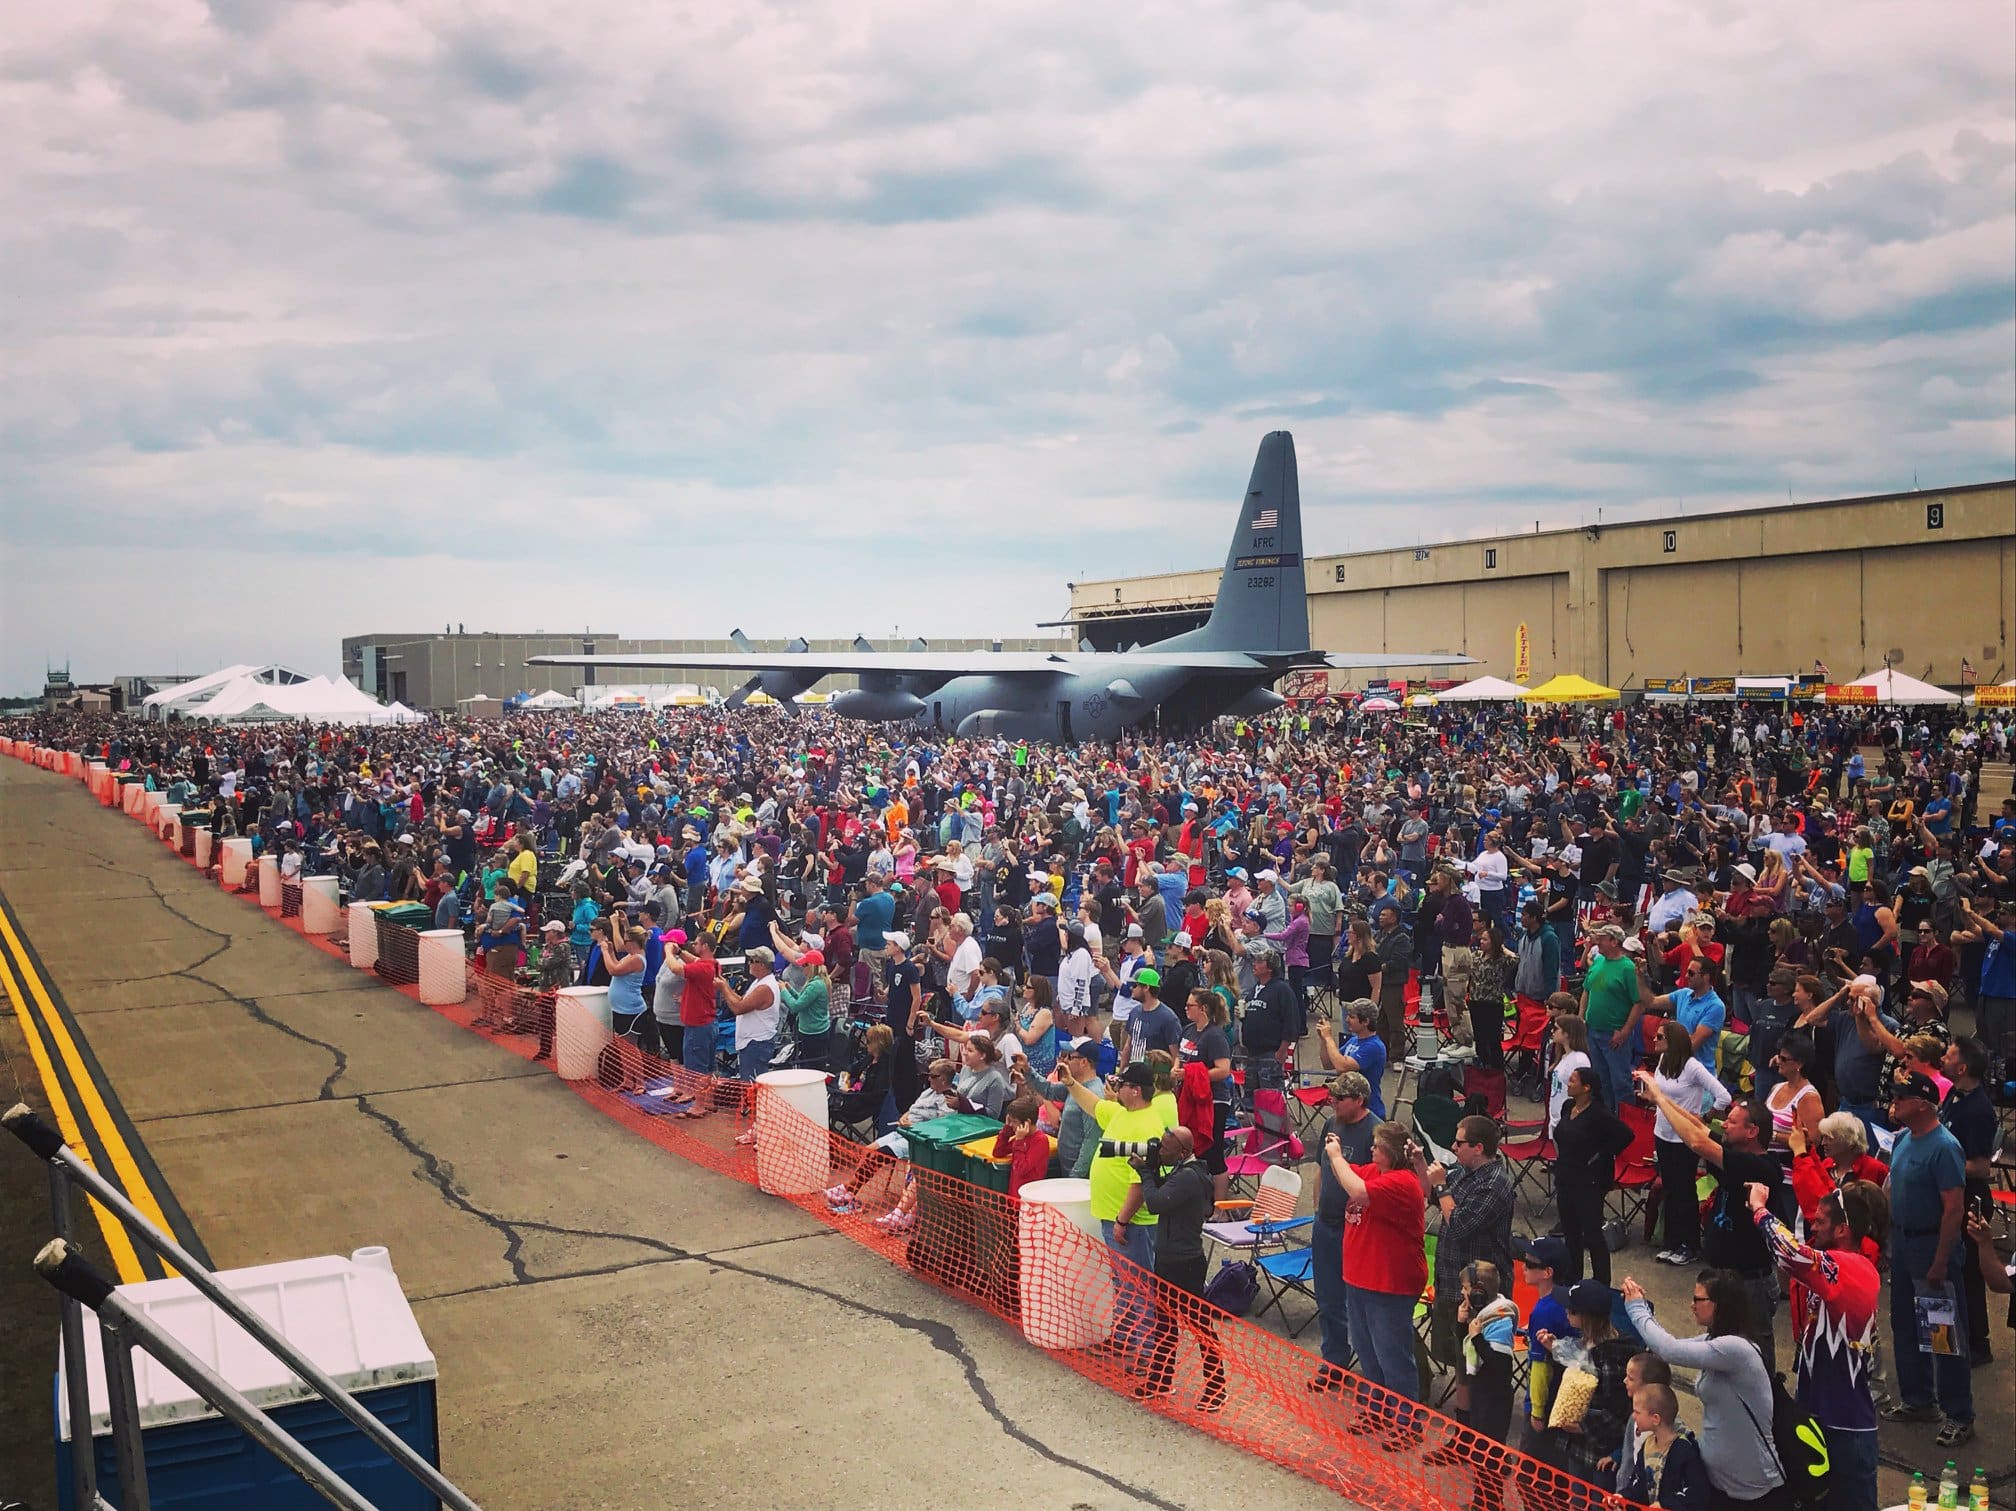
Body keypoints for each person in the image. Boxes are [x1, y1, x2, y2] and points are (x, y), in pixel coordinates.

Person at [1747, 1179, 1884, 1511]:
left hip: (1846, 1428)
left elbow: (1789, 1252)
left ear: (1842, 1229)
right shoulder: (1838, 1266)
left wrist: (1759, 1209)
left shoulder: (1850, 1267)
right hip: (1821, 1419)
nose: (1813, 1224)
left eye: (1821, 1220)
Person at [1636, 1073, 1785, 1368]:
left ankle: (1767, 1409)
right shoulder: (1736, 1153)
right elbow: (1699, 1127)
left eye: (1732, 1121)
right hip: (1728, 1278)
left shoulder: (1760, 1167)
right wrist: (1659, 1101)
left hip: (1750, 1283)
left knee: (1756, 1355)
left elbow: (1696, 1141)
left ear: (1752, 1131)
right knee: (1723, 1347)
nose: (1724, 1124)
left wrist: (1660, 1094)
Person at [1620, 1271, 1788, 1508]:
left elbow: (1669, 1350)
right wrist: (1643, 1311)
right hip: (1718, 1482)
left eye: (1698, 1299)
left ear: (1721, 1305)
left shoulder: (1736, 1349)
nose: (1691, 1305)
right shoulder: (1716, 1340)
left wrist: (1636, 1308)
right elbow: (1670, 1348)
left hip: (1750, 1488)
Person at [1881, 1069, 1973, 1449]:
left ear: (1922, 1103)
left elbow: (1953, 1209)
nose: (1895, 1103)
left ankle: (1958, 1414)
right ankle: (1918, 1399)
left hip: (1931, 1247)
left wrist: (1940, 1261)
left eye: (1901, 1098)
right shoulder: (1905, 1139)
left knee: (1942, 1336)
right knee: (1903, 1322)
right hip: (1902, 1245)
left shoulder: (1944, 1147)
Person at [1323, 1119, 1429, 1443]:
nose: (1372, 1149)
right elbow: (1353, 1176)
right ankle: (1378, 1409)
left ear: (1391, 1152)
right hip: (1360, 1277)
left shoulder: (1400, 1182)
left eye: (1377, 1145)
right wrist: (1338, 1160)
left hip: (1389, 1283)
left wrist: (1335, 1156)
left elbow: (1356, 1189)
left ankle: (1408, 1423)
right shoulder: (1376, 1172)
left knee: (1393, 1356)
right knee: (1368, 1352)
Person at [1060, 1062, 1169, 1360]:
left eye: (1121, 1085)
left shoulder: (1148, 1126)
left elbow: (1139, 1183)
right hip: (1115, 1218)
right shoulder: (1121, 1113)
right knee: (1121, 1282)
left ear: (1135, 1090)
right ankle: (1122, 1338)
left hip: (1131, 1222)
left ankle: (1146, 1352)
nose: (1115, 1089)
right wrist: (1071, 1083)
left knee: (1138, 1286)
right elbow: (1093, 1105)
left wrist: (1122, 1219)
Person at [1418, 1116, 1515, 1411]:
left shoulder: (1495, 1184)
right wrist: (1420, 1163)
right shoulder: (1464, 1171)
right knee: (1458, 1355)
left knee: (1471, 1362)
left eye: (1459, 1143)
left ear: (1478, 1148)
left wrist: (1443, 1187)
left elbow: (1459, 1224)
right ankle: (1466, 1421)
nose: (1453, 1147)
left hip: (1480, 1289)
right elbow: (1433, 1197)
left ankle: (1467, 1430)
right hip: (1452, 1281)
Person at [1133, 1125, 1228, 1411]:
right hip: (1168, 1259)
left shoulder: (1190, 1177)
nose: (1159, 1152)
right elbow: (1165, 1192)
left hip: (1185, 1263)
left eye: (1164, 1149)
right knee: (1164, 1325)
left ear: (1183, 1152)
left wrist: (1146, 1173)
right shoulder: (1183, 1170)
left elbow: (1155, 1203)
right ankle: (1160, 1380)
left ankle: (1216, 1389)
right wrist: (1154, 1168)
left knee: (1200, 1328)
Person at [1307, 1071, 1378, 1394]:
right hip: (1326, 1224)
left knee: (1359, 1302)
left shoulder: (1374, 1132)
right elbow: (1322, 1168)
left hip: (1356, 1231)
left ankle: (1371, 1370)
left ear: (1359, 1100)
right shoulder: (1330, 1124)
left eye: (1340, 1097)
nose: (1332, 1101)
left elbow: (1374, 1188)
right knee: (1328, 1297)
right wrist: (1318, 1206)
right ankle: (1334, 1361)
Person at [1531, 1280, 1638, 1493]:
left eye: (1570, 1309)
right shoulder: (1585, 1342)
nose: (1565, 1312)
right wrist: (1555, 1349)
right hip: (1577, 1447)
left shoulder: (1613, 1359)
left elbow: (1620, 1412)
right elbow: (1577, 1375)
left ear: (1585, 1317)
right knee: (1577, 1499)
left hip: (1601, 1453)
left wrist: (1583, 1426)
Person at [1648, 1020, 1732, 1266]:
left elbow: (1724, 1096)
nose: (1654, 1040)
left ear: (1672, 1041)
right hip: (1662, 1133)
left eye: (1660, 1037)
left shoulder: (1692, 1067)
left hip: (1683, 1139)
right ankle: (1672, 1242)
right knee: (1670, 1191)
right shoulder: (1663, 1061)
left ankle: (1690, 1245)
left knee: (1684, 1192)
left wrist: (1704, 1118)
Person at [1554, 1064, 1633, 1285]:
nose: (1568, 1084)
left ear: (1586, 1087)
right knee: (1570, 1232)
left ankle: (1601, 1283)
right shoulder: (1568, 1106)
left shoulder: (1599, 1114)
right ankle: (1573, 1277)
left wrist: (1601, 1155)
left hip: (1588, 1181)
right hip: (1565, 1177)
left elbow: (1626, 1135)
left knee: (1592, 1234)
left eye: (1573, 1080)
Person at [1582, 924, 1650, 1111]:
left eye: (1602, 938)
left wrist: (1625, 1031)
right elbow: (1587, 991)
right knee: (1601, 1080)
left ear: (1614, 942)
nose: (1598, 942)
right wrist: (1582, 1019)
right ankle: (1607, 1119)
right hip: (1593, 1031)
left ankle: (1626, 1122)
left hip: (1614, 1034)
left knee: (1620, 1081)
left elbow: (1639, 1002)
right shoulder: (1598, 962)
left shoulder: (1628, 968)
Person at [1176, 989, 1235, 1202]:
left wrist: (1191, 1075)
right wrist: (1177, 1070)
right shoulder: (1189, 1030)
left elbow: (1223, 1070)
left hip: (1213, 1101)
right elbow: (1180, 1057)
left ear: (1203, 1009)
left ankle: (1220, 1207)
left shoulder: (1215, 1036)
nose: (1185, 1008)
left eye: (1190, 1005)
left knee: (1213, 1153)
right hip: (1189, 1098)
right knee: (1192, 1151)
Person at [1615, 1382, 1713, 1511]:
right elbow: (1638, 1482)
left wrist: (1667, 1505)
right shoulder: (1647, 1445)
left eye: (1637, 1412)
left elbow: (1698, 1492)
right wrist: (1623, 1497)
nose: (1633, 1416)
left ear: (1655, 1418)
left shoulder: (1685, 1450)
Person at [1019, 1036, 1103, 1178]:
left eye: (1070, 1057)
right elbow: (1049, 1091)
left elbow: (1092, 1140)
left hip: (1079, 1175)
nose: (1065, 1061)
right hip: (1066, 1166)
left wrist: (1075, 1176)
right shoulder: (1074, 1086)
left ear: (1083, 1062)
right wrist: (1027, 1070)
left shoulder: (1093, 1094)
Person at [717, 945, 783, 1091]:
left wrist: (723, 988)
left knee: (753, 1088)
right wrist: (727, 986)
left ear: (762, 964)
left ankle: (755, 1113)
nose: (749, 964)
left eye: (752, 961)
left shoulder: (764, 987)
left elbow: (738, 1008)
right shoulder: (759, 982)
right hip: (753, 1042)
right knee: (749, 1086)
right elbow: (741, 1000)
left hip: (756, 1043)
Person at [1313, 999, 1388, 1118]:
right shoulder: (1354, 1041)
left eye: (1352, 1017)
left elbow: (1342, 1067)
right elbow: (1328, 1064)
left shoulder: (1374, 1046)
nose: (1347, 1020)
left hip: (1368, 1111)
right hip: (1350, 1109)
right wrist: (1323, 1040)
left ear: (1365, 1021)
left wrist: (1328, 1038)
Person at [1240, 947, 1294, 1089]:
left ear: (1270, 967)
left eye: (1259, 961)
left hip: (1270, 1052)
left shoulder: (1282, 989)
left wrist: (1282, 1050)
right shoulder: (1254, 990)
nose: (1254, 964)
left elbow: (1291, 1021)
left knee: (1270, 1099)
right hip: (1251, 1052)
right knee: (1251, 1098)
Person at [989, 1094, 1050, 1197]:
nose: (1011, 1124)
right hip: (1014, 1196)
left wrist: (1019, 1142)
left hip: (1029, 1198)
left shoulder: (1040, 1141)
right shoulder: (1020, 1137)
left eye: (1014, 1121)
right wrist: (1006, 1130)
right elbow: (998, 1152)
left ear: (1027, 1122)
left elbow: (1022, 1170)